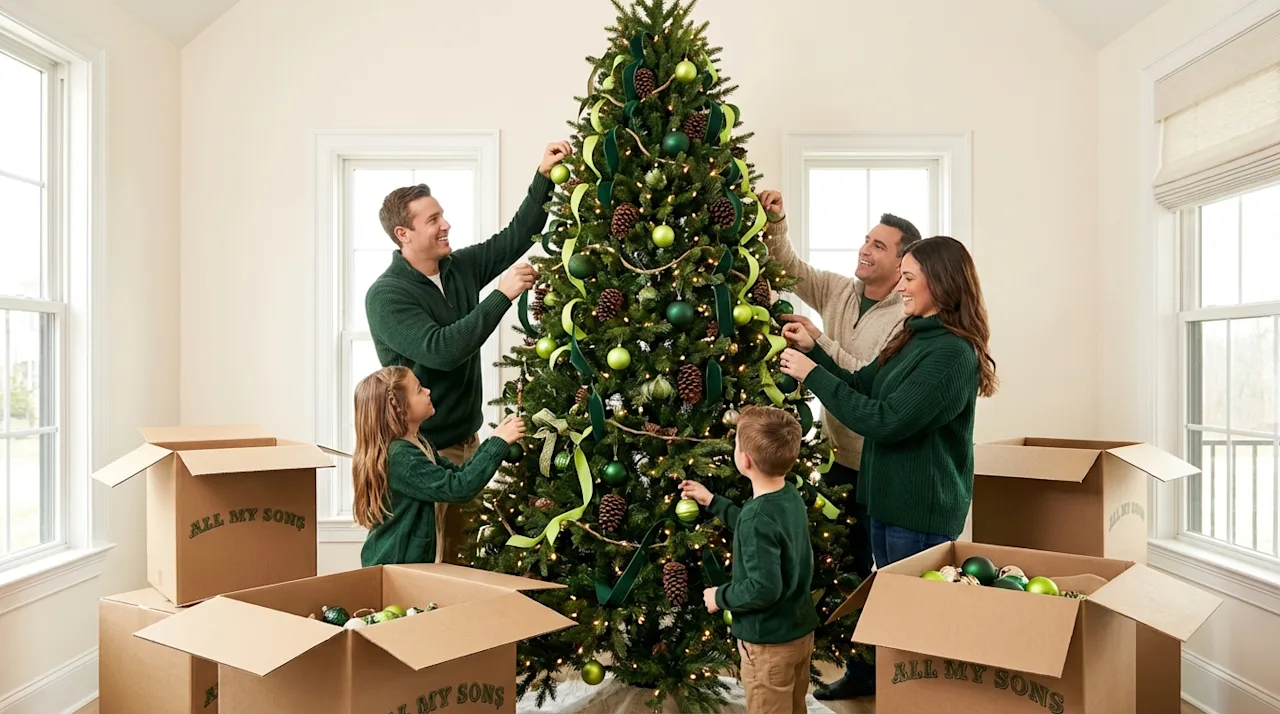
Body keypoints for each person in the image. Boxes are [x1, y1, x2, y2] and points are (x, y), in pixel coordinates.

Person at [365, 141, 570, 563]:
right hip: (425, 452)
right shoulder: (387, 296)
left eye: (443, 216)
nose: (446, 226)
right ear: (403, 234)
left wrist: (543, 177)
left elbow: (514, 238)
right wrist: (502, 295)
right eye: (433, 220)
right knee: (428, 567)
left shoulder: (457, 267)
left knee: (460, 561)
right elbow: (442, 350)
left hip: (467, 442)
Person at [756, 189, 921, 700]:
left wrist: (816, 344)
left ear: (901, 262)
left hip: (884, 464)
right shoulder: (839, 291)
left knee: (888, 575)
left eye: (879, 246)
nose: (865, 250)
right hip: (838, 460)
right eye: (866, 240)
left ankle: (903, 679)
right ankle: (860, 671)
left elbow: (867, 380)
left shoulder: (905, 317)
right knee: (846, 569)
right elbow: (786, 266)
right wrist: (777, 219)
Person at [779, 235, 997, 570]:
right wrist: (815, 350)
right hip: (885, 505)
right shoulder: (913, 335)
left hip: (918, 515)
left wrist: (811, 375)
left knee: (912, 614)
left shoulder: (952, 353)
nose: (901, 288)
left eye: (909, 278)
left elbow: (885, 421)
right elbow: (861, 384)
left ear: (941, 283)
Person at [678, 406, 820, 714]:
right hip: (799, 633)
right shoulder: (789, 497)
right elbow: (758, 527)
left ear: (744, 460)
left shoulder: (758, 517)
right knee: (795, 707)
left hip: (768, 645)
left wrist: (720, 596)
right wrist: (714, 502)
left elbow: (763, 588)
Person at [352, 366, 526, 567]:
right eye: (418, 389)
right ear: (399, 408)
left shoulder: (418, 442)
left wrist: (496, 440)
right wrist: (499, 442)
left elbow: (458, 474)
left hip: (407, 566)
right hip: (395, 565)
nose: (428, 391)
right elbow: (459, 488)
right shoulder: (401, 456)